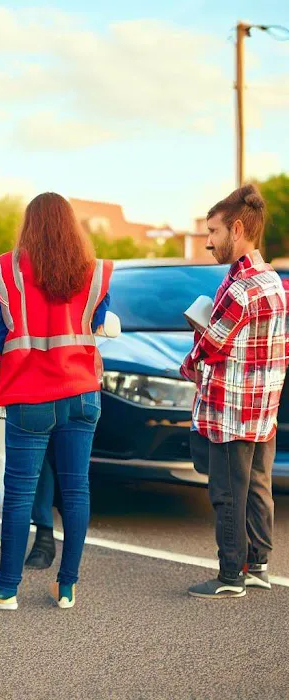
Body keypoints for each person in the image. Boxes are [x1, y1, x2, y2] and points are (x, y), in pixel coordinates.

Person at [0, 192, 112, 611]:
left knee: (20, 493)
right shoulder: (95, 273)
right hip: (83, 394)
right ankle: (66, 588)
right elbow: (101, 324)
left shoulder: (8, 272)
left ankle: (5, 590)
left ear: (29, 226)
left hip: (30, 398)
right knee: (76, 490)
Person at [181, 184, 287, 599]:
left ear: (237, 229)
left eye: (213, 231)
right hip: (263, 408)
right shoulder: (273, 281)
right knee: (258, 487)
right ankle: (258, 564)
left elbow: (213, 345)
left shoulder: (242, 289)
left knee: (227, 493)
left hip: (231, 408)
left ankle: (230, 576)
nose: (208, 241)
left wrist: (189, 357)